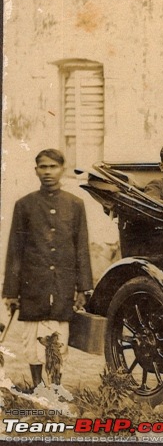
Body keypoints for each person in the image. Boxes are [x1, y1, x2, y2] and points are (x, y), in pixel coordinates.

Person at [2, 149, 93, 389]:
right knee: (32, 340)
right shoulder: (25, 205)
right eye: (43, 167)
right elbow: (15, 250)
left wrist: (83, 287)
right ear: (36, 171)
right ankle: (37, 386)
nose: (48, 172)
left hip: (63, 282)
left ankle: (56, 388)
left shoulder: (75, 205)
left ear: (63, 169)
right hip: (32, 284)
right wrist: (11, 291)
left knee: (59, 339)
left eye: (53, 167)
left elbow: (81, 247)